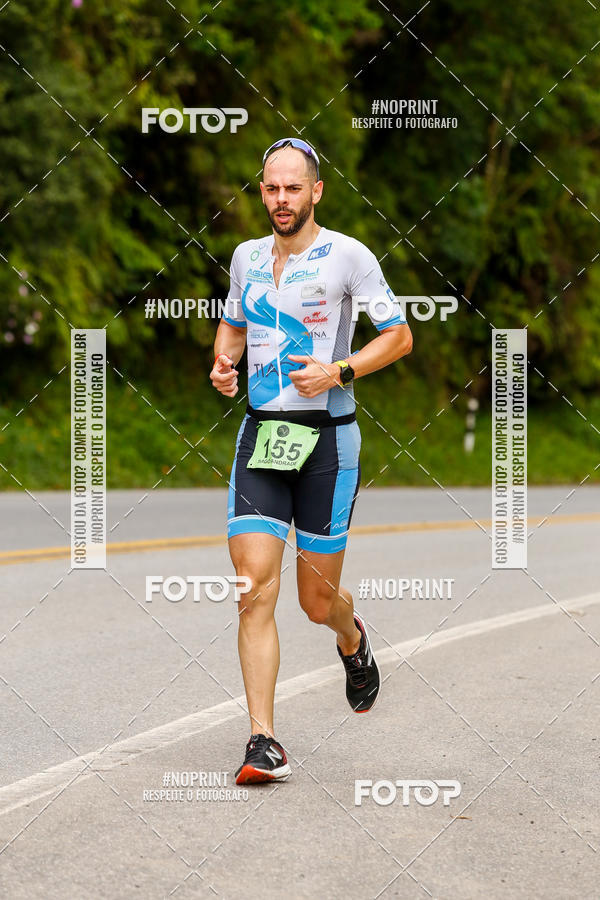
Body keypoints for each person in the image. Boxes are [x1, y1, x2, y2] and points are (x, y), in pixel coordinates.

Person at [210, 138, 413, 784]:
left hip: (328, 441)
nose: (281, 200)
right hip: (262, 437)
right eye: (272, 188)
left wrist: (339, 370)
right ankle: (262, 740)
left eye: (293, 188)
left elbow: (399, 336)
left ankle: (352, 639)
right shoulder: (246, 257)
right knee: (253, 589)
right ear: (261, 191)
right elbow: (234, 325)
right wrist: (224, 362)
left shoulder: (349, 255)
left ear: (316, 191)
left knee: (316, 602)